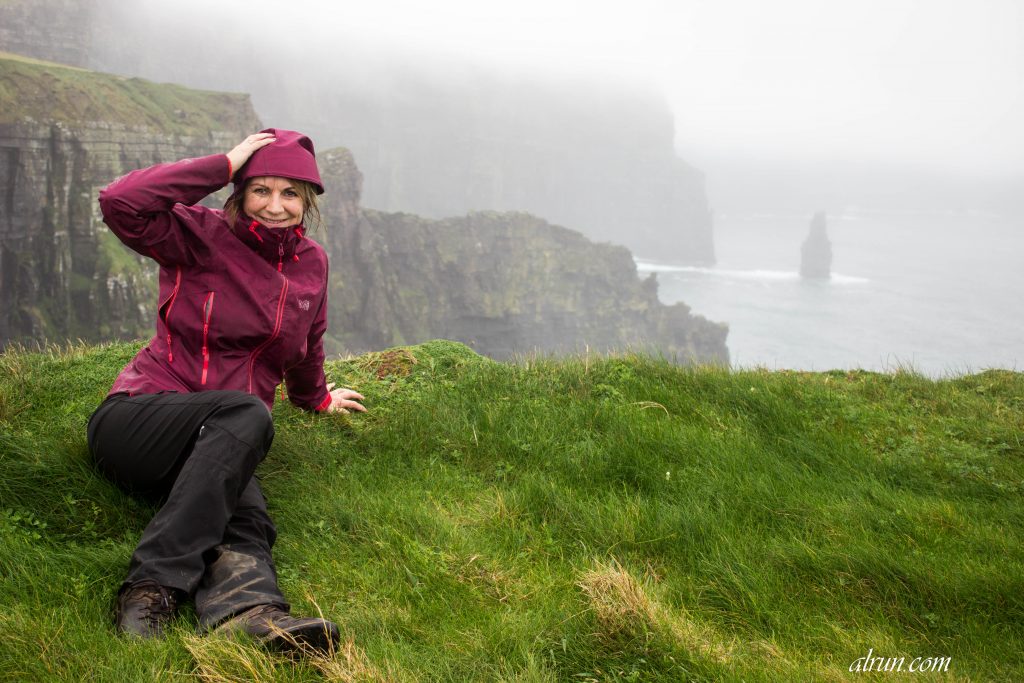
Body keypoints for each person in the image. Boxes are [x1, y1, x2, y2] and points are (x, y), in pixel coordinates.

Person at [86, 129, 366, 652]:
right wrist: (225, 162)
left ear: (308, 201)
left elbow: (309, 342)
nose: (275, 206)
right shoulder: (198, 235)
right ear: (238, 193)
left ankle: (250, 614)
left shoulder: (313, 264)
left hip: (220, 439)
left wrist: (317, 398)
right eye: (260, 190)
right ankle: (151, 587)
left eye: (290, 193)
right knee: (247, 415)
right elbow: (119, 201)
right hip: (139, 419)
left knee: (249, 514)